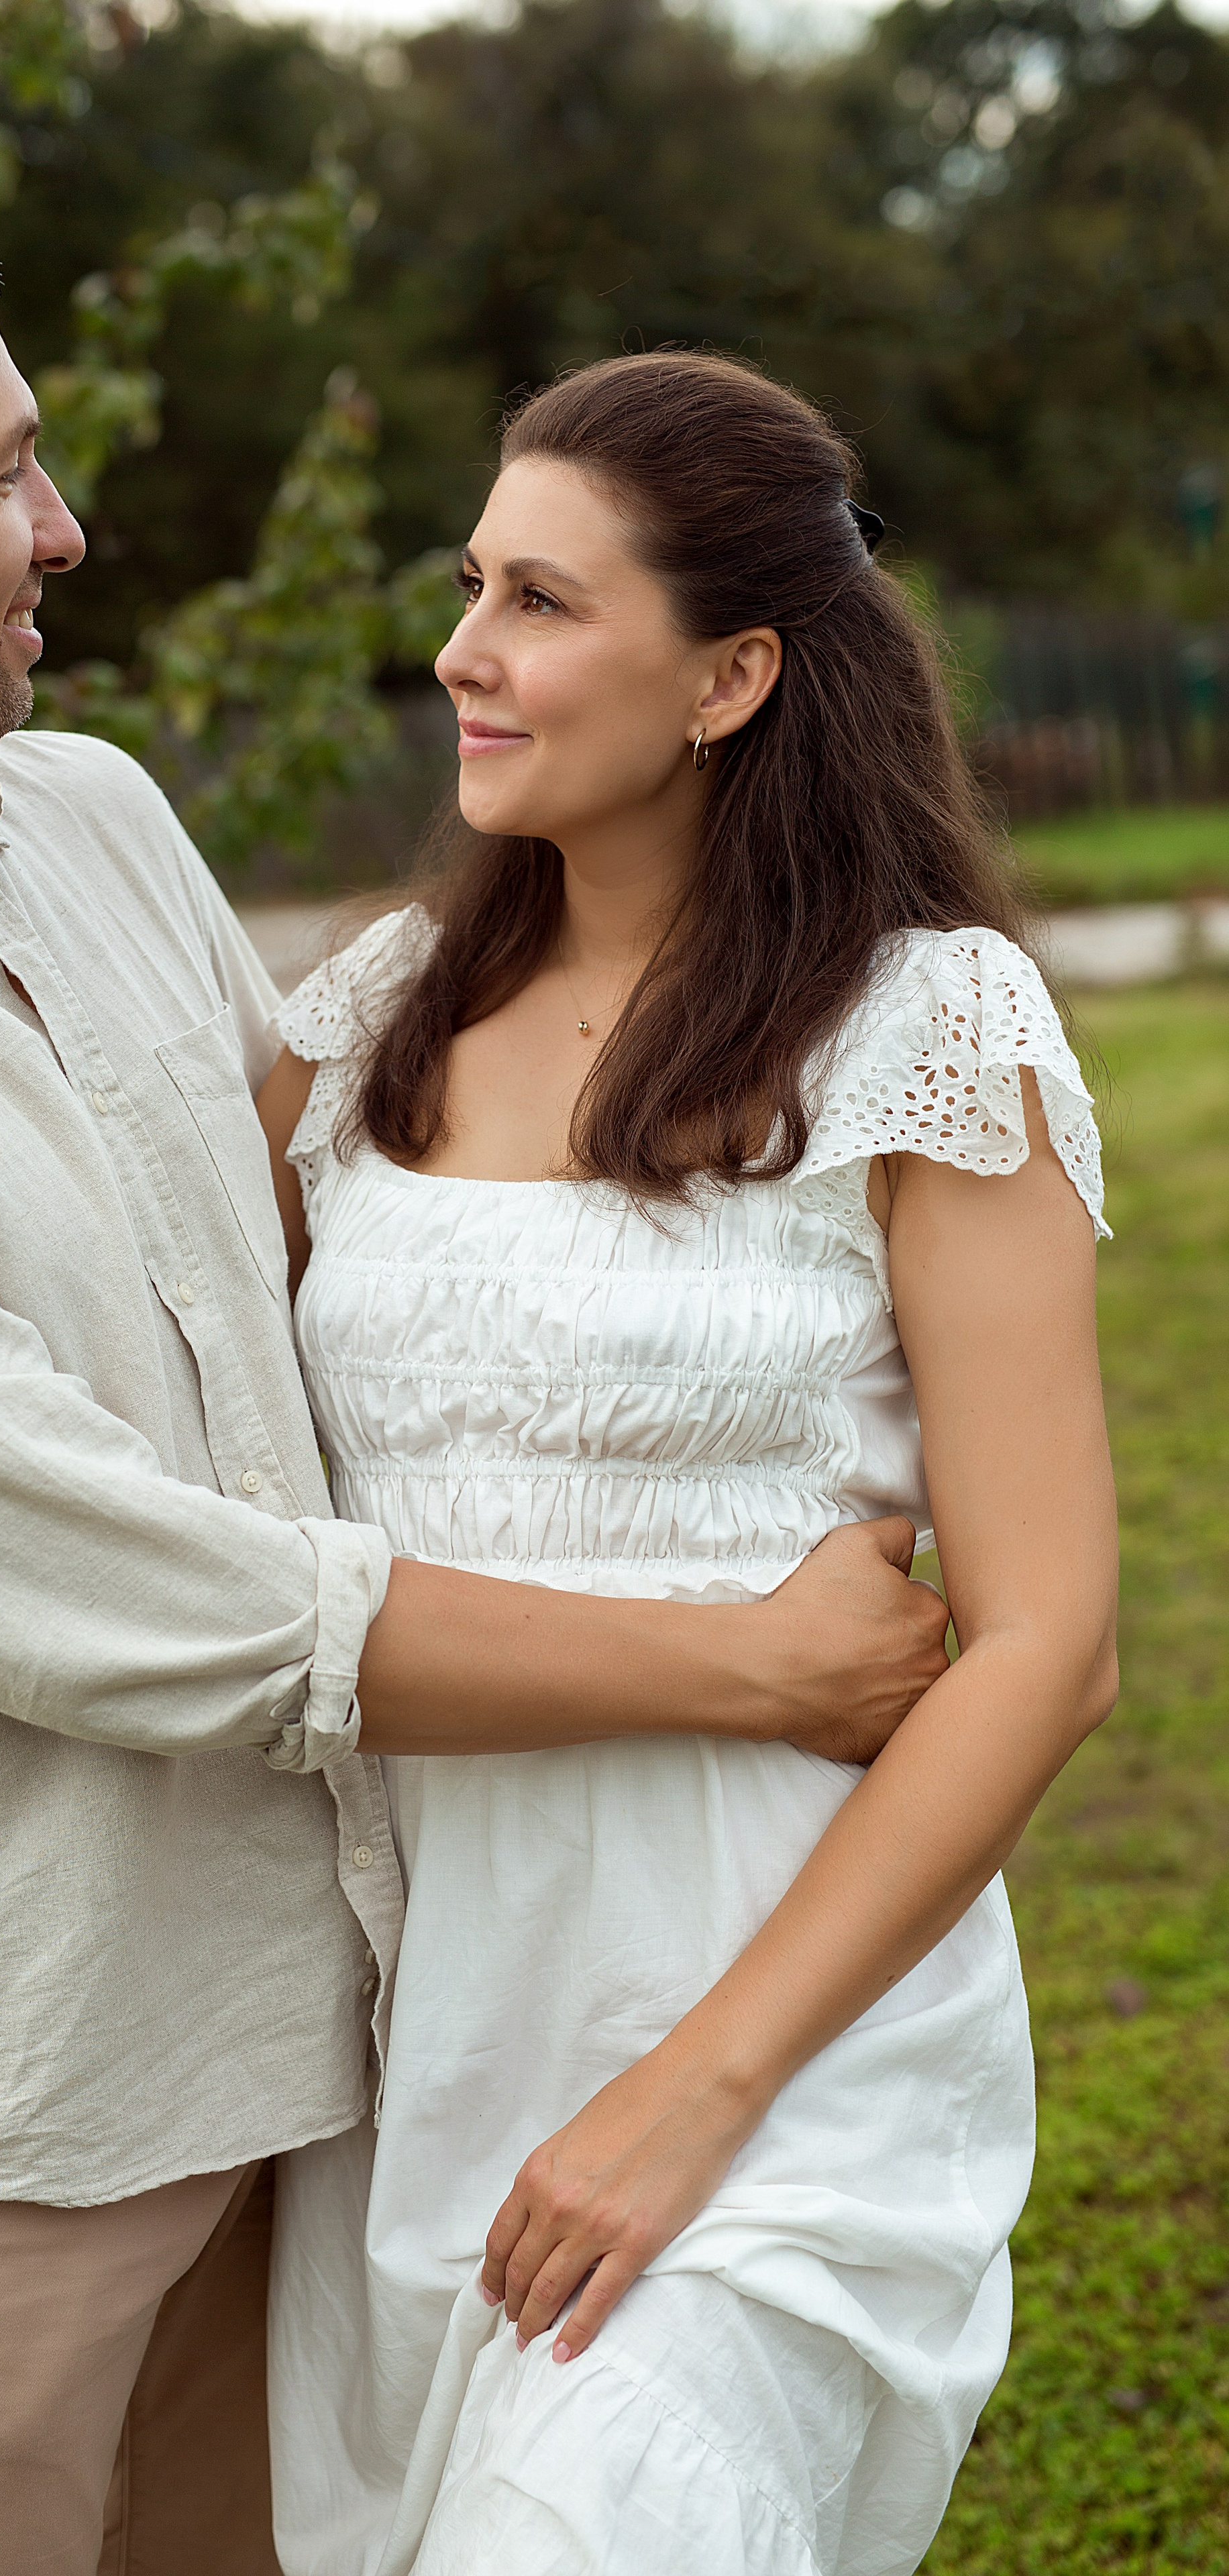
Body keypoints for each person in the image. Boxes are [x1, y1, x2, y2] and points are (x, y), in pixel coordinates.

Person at [0, 195, 947, 2576]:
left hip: (340, 2061)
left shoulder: (92, 823)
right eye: (12, 469)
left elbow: (346, 1268)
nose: (66, 527)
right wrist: (748, 1662)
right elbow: (139, 1598)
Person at [256, 350, 1120, 2576]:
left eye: (539, 600)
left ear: (733, 671)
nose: (462, 650)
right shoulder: (367, 1030)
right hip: (421, 2035)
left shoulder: (927, 1034)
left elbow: (1044, 1644)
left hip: (780, 2061)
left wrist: (697, 2094)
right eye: (472, 587)